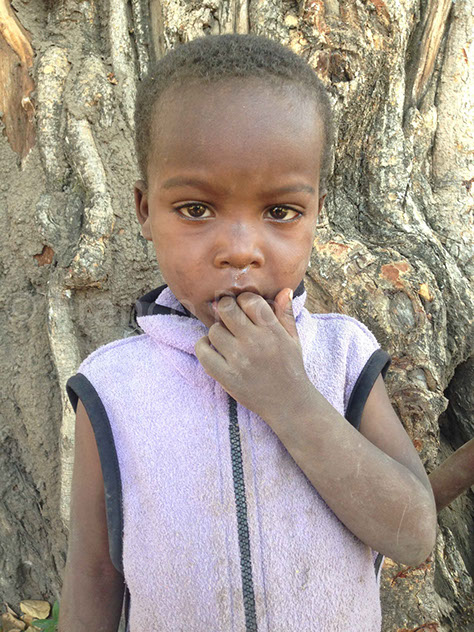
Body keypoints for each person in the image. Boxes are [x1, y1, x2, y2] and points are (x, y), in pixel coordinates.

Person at [58, 33, 437, 632]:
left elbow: (413, 536)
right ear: (144, 210)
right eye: (196, 209)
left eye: (280, 212)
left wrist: (290, 399)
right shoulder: (111, 386)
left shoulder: (342, 356)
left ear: (315, 214)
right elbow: (94, 575)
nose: (240, 251)